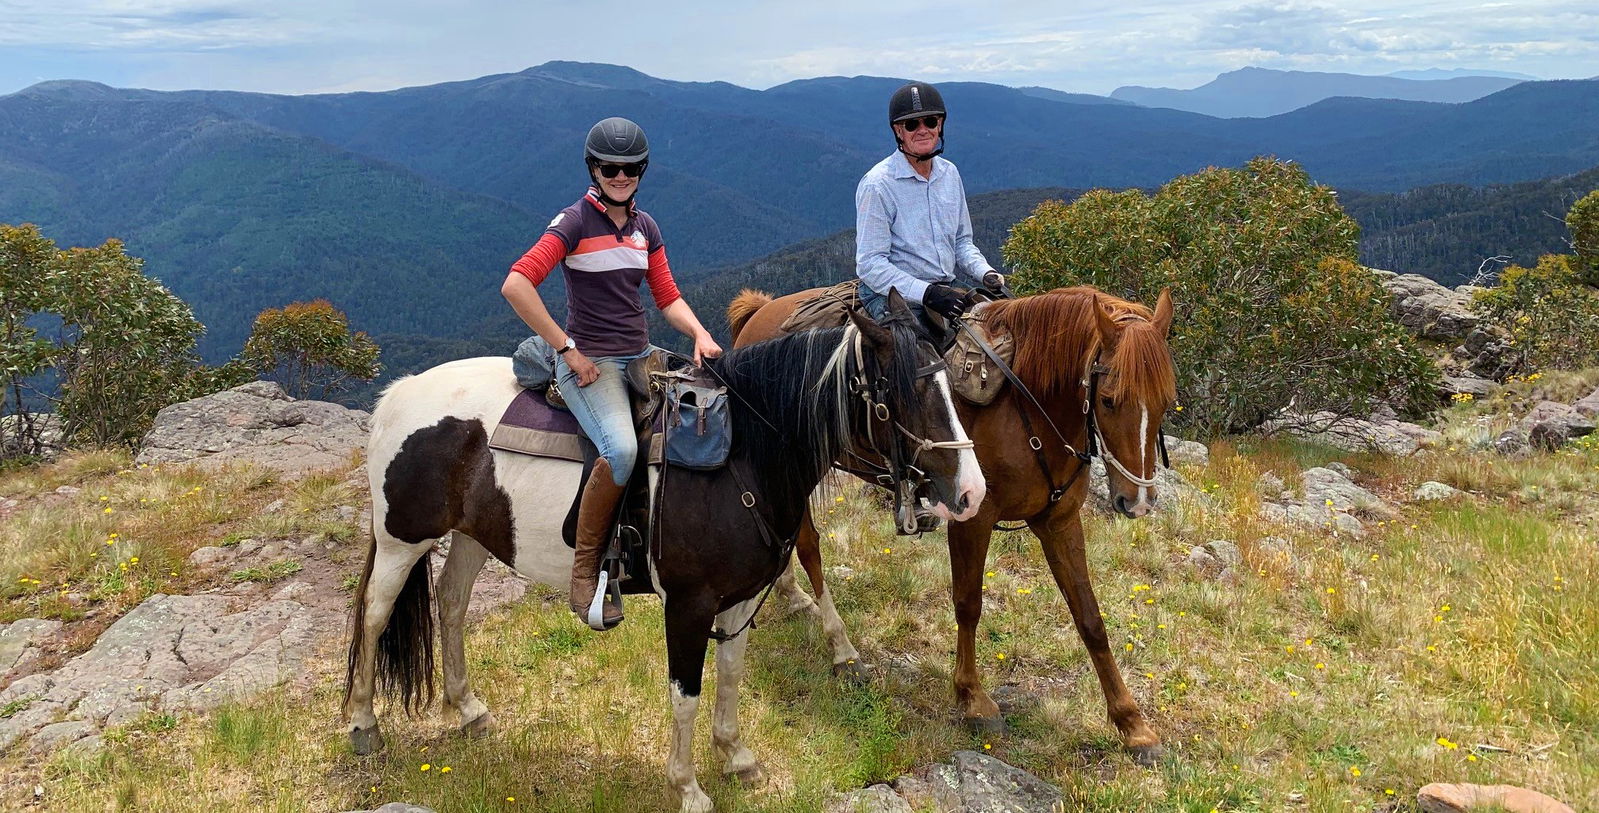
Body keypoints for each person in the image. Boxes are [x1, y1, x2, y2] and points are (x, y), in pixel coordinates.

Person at [501, 117, 723, 630]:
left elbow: (666, 295)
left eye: (629, 168)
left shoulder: (646, 229)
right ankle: (585, 570)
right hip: (590, 361)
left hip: (640, 354)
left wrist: (699, 333)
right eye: (609, 167)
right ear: (593, 168)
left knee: (697, 423)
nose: (619, 176)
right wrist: (567, 349)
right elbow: (517, 284)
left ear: (641, 170)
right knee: (621, 449)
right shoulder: (574, 222)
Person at [855, 81, 1006, 330]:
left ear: (941, 124)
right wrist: (927, 294)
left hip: (943, 289)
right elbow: (871, 264)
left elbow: (961, 242)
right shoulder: (878, 184)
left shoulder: (950, 174)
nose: (923, 130)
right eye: (912, 124)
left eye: (930, 121)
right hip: (891, 294)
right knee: (920, 358)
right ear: (898, 131)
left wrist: (985, 273)